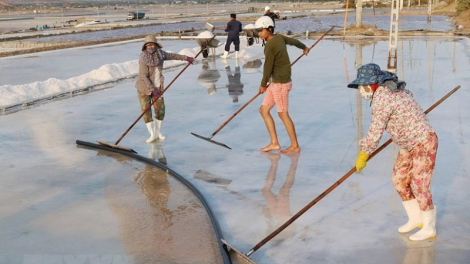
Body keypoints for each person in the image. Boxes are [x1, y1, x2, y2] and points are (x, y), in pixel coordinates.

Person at [348, 63, 438, 241]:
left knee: (420, 185)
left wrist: (363, 154)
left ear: (374, 84)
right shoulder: (392, 90)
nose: (362, 90)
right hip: (408, 144)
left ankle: (429, 227)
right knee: (399, 180)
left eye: (363, 86)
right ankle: (415, 218)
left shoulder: (383, 98)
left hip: (423, 141)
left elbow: (375, 132)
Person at [255, 16, 309, 154]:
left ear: (269, 29)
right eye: (258, 31)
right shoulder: (279, 38)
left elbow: (267, 67)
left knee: (283, 114)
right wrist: (304, 47)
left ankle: (295, 145)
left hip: (281, 84)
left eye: (261, 30)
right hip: (276, 83)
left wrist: (262, 84)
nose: (259, 33)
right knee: (264, 110)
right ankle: (274, 143)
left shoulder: (270, 45)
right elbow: (293, 41)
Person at [135, 35, 194, 143]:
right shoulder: (143, 58)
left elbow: (172, 55)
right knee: (146, 111)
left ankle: (157, 132)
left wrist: (186, 58)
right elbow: (143, 76)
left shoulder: (160, 54)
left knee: (160, 110)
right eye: (148, 45)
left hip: (158, 86)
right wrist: (153, 90)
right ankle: (152, 134)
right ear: (145, 46)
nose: (151, 47)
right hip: (144, 88)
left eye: (152, 44)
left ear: (156, 45)